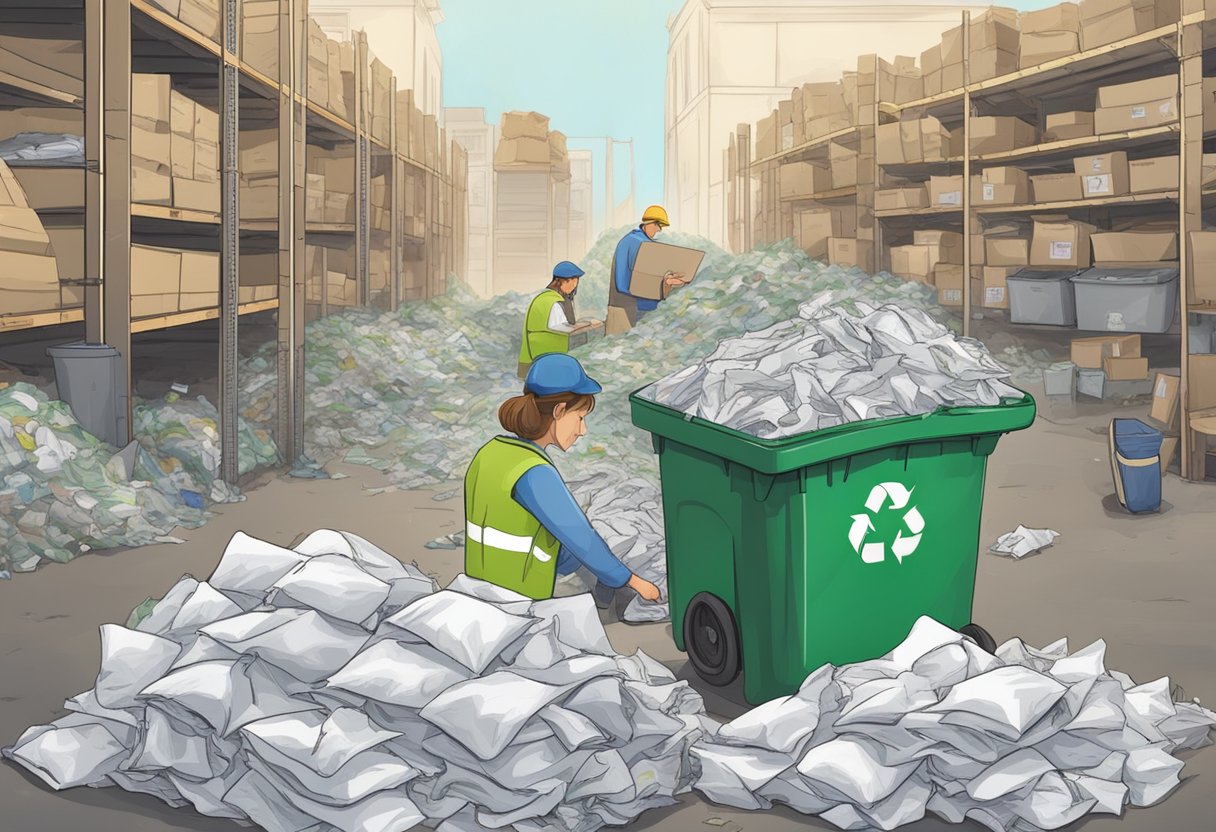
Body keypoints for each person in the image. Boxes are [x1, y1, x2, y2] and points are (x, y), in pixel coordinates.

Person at [464, 353, 662, 607]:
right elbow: (580, 538)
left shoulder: (490, 453)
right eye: (580, 418)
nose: (582, 430)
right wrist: (633, 581)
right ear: (559, 411)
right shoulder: (534, 472)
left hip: (483, 583)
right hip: (522, 596)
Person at [605, 205, 690, 335]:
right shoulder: (633, 243)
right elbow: (623, 282)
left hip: (645, 308)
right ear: (650, 223)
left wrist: (666, 282)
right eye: (658, 226)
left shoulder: (644, 243)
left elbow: (650, 277)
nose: (658, 230)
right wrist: (664, 283)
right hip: (627, 308)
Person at [517, 261, 584, 379]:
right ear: (561, 282)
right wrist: (582, 326)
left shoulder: (544, 297)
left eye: (576, 280)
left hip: (536, 351)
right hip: (546, 354)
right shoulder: (553, 302)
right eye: (572, 280)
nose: (574, 285)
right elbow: (560, 327)